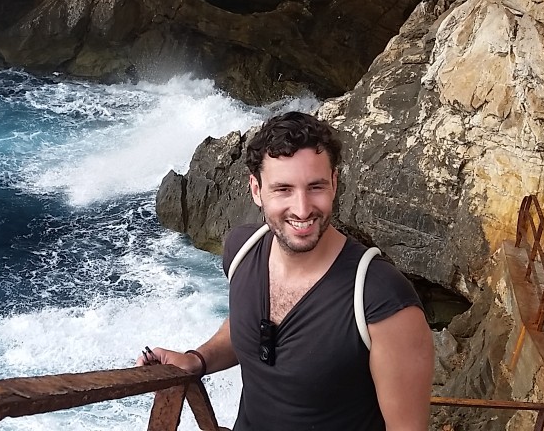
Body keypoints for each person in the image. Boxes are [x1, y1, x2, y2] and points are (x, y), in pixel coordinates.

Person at [137, 111, 433, 430]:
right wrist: (198, 360)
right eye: (283, 190)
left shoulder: (381, 297)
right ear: (256, 189)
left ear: (334, 183)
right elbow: (245, 325)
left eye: (315, 187)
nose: (302, 209)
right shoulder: (241, 250)